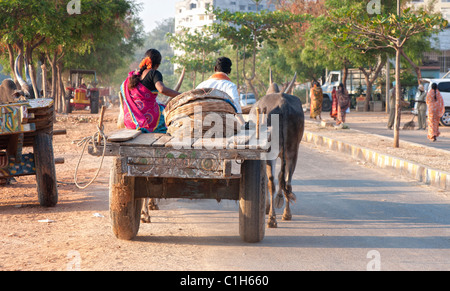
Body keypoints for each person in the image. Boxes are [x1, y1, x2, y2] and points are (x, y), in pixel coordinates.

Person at [121, 49, 180, 133]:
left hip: (131, 121)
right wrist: (180, 95)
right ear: (157, 65)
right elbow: (162, 89)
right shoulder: (154, 73)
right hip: (147, 121)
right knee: (169, 116)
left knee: (160, 107)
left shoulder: (134, 75)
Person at [196, 57, 244, 125]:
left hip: (201, 122)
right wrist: (243, 123)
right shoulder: (230, 86)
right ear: (229, 71)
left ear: (215, 68)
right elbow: (235, 105)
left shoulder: (201, 85)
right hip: (221, 123)